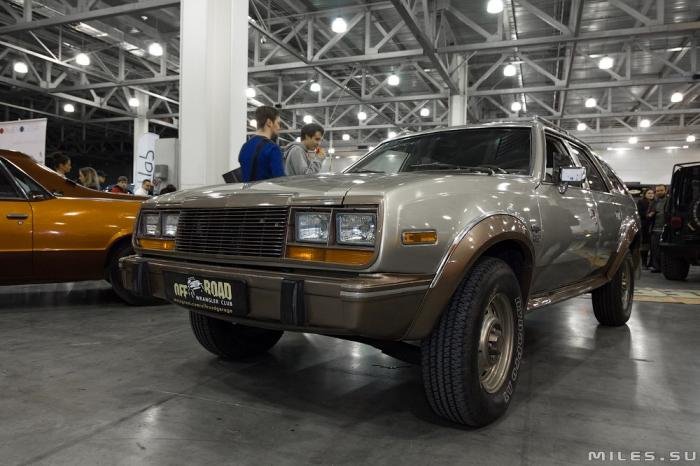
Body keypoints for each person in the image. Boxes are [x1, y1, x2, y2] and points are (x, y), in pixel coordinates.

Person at [238, 106, 284, 182]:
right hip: (267, 189)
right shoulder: (272, 148)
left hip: (246, 189)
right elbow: (280, 180)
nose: (279, 127)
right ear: (269, 122)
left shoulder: (245, 147)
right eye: (278, 123)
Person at [648, 184, 668, 272]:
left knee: (665, 251)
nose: (659, 192)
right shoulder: (654, 202)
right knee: (655, 250)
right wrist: (650, 214)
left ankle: (665, 268)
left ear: (666, 191)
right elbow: (648, 215)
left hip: (666, 230)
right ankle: (656, 267)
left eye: (661, 190)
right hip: (655, 229)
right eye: (658, 191)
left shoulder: (670, 201)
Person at [637, 188, 655, 267]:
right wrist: (649, 215)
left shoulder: (655, 202)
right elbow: (640, 213)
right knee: (645, 245)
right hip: (644, 226)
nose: (651, 194)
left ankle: (651, 263)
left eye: (652, 193)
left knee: (653, 246)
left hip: (653, 225)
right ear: (645, 194)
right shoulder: (641, 202)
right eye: (649, 193)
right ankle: (644, 263)